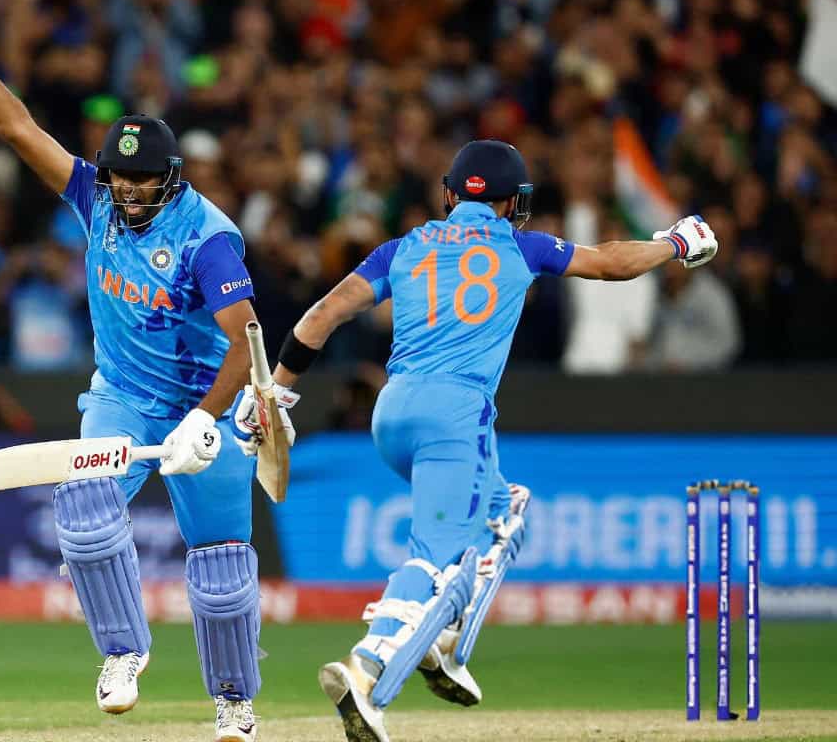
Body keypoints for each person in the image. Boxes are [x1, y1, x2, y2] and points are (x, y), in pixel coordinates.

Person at [236, 140, 718, 742]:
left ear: (448, 194)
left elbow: (321, 315)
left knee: (505, 512)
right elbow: (613, 263)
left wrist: (276, 392)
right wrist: (675, 242)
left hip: (393, 410)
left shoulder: (403, 247)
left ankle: (445, 644)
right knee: (436, 556)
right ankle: (367, 670)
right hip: (455, 416)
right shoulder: (523, 245)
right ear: (513, 202)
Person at [0, 0, 264, 742]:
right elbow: (15, 127)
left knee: (221, 568)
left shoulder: (209, 238)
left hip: (208, 400)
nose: (132, 194)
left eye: (146, 182)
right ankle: (122, 650)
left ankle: (235, 705)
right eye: (121, 179)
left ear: (173, 178)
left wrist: (207, 422)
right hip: (124, 395)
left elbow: (247, 340)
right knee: (81, 509)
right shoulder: (94, 197)